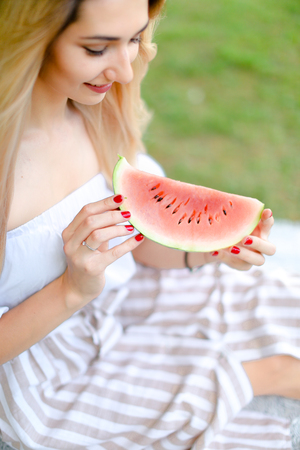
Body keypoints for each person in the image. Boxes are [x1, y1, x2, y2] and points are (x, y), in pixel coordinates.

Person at [0, 0, 300, 448]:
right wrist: (72, 290)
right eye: (98, 48)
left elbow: (137, 239)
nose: (124, 70)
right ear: (31, 41)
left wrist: (205, 249)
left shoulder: (97, 110)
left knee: (282, 304)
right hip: (36, 364)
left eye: (136, 39)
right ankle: (266, 376)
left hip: (118, 297)